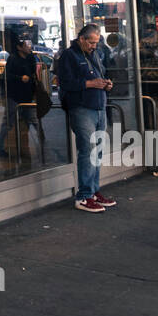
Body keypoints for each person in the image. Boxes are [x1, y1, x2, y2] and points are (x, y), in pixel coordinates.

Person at [55, 25, 115, 213]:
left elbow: (101, 74)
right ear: (81, 39)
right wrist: (91, 83)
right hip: (81, 108)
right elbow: (64, 83)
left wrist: (106, 84)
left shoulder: (95, 55)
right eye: (91, 42)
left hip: (98, 106)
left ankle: (93, 191)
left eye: (96, 43)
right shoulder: (68, 56)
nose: (93, 46)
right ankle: (84, 196)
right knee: (87, 150)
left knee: (97, 151)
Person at [0, 36, 38, 165]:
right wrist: (20, 78)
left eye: (29, 44)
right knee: (9, 121)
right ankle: (0, 146)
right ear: (19, 47)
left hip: (27, 96)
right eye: (26, 45)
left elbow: (33, 75)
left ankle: (41, 144)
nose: (29, 47)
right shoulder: (13, 59)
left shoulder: (31, 58)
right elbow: (6, 76)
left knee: (33, 120)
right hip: (14, 96)